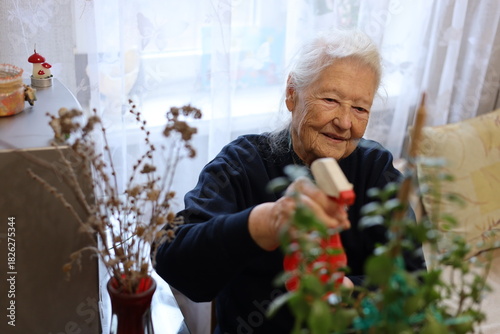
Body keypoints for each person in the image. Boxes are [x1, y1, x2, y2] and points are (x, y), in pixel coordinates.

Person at [154, 29, 423, 333]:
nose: (345, 122)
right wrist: (263, 223)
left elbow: (414, 283)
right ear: (292, 94)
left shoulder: (376, 169)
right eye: (331, 99)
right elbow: (171, 260)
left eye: (360, 108)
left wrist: (347, 292)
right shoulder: (242, 163)